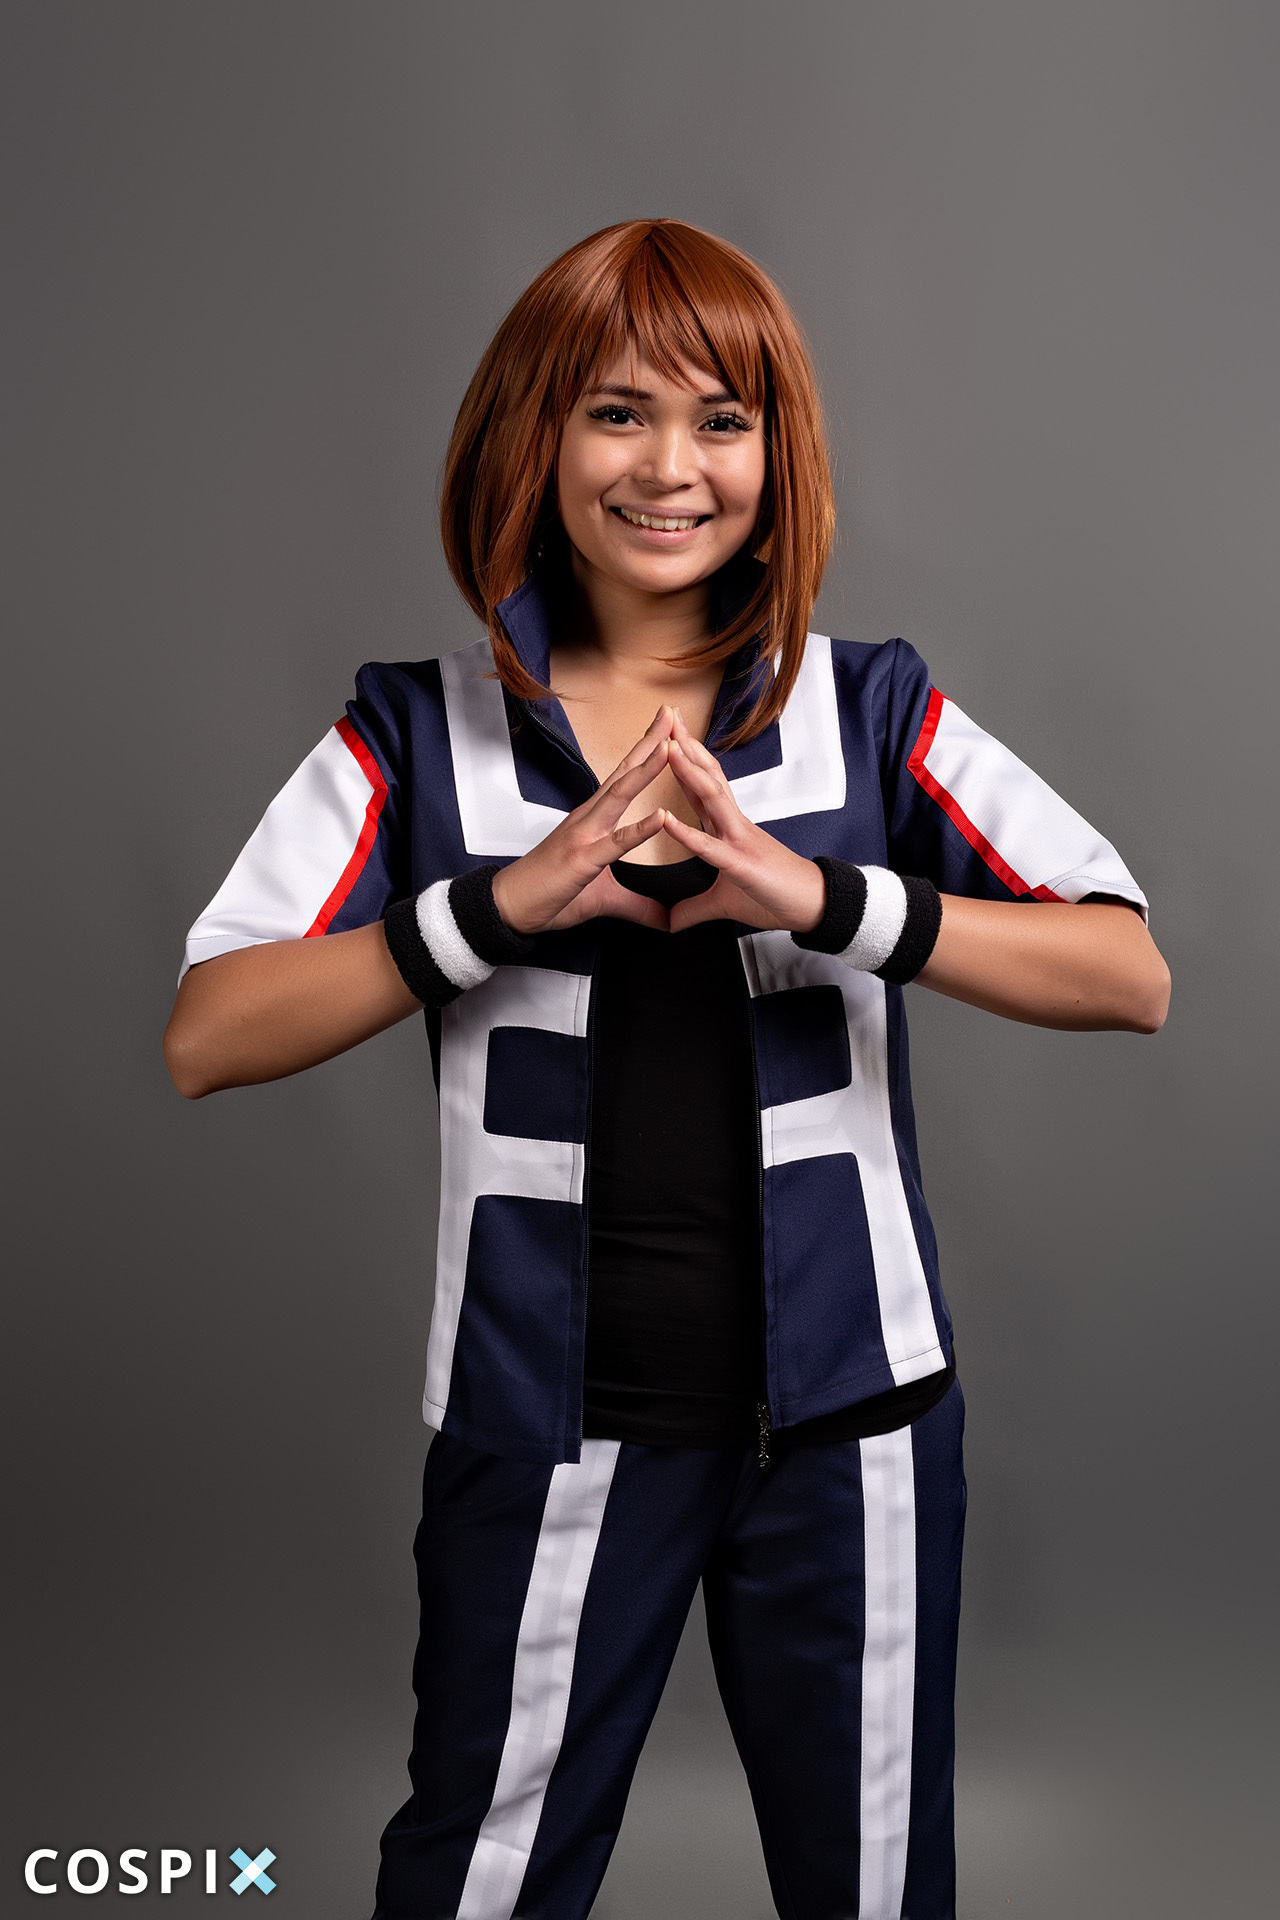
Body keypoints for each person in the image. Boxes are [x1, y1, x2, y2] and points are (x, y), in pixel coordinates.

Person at [164, 219, 1170, 1920]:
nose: (670, 466)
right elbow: (209, 1031)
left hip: (856, 1427)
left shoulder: (870, 711)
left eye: (722, 419)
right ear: (537, 434)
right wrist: (497, 908)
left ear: (778, 457)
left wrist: (826, 899)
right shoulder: (417, 730)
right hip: (547, 1426)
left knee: (874, 1889)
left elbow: (1127, 972)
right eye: (617, 412)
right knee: (479, 1878)